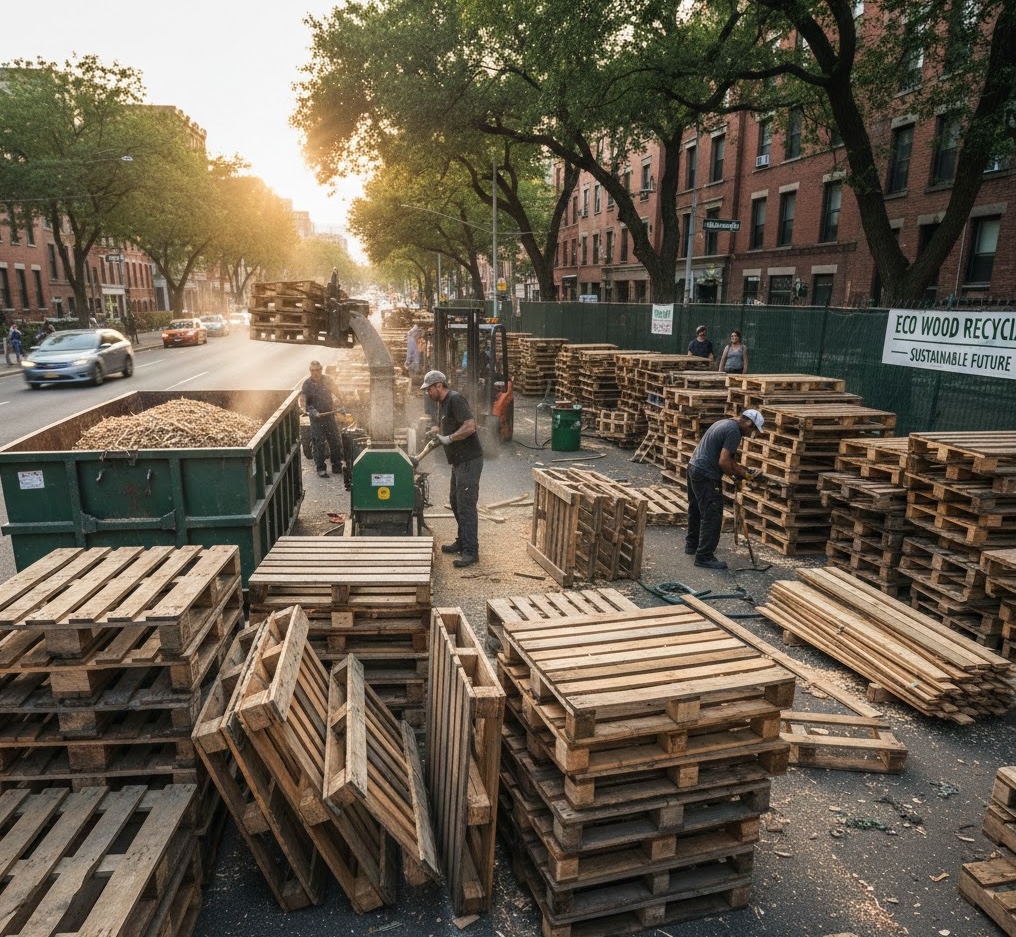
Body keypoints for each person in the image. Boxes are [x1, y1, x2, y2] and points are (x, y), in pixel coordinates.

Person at [685, 409, 765, 569]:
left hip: (694, 467)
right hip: (706, 474)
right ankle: (704, 556)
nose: (751, 434)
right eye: (753, 430)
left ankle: (692, 545)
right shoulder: (734, 432)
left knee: (696, 509)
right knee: (712, 514)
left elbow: (729, 459)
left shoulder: (724, 423)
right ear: (749, 423)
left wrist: (742, 472)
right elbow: (723, 462)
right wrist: (738, 475)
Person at [422, 369, 483, 569]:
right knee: (455, 502)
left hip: (469, 460)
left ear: (439, 385)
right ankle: (462, 541)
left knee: (465, 505)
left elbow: (469, 426)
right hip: (458, 462)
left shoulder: (456, 400)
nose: (427, 393)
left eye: (429, 389)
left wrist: (448, 439)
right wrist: (437, 431)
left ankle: (471, 552)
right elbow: (450, 425)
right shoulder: (443, 403)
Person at [299, 360, 343, 479]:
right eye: (313, 371)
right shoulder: (307, 384)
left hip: (329, 416)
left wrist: (340, 404)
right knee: (318, 443)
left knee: (334, 441)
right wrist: (311, 411)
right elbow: (303, 402)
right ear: (310, 371)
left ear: (321, 369)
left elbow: (337, 394)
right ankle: (321, 468)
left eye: (317, 370)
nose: (315, 373)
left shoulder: (328, 380)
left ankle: (336, 465)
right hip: (316, 419)